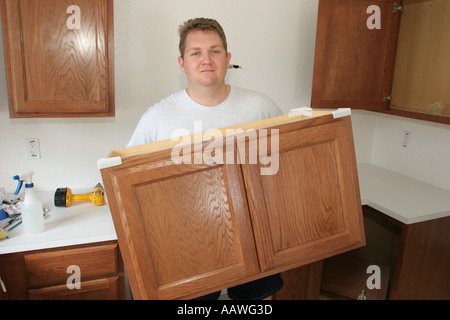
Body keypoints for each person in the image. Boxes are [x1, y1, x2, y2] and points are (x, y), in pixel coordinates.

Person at [127, 17, 284, 300]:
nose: (206, 59)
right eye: (195, 52)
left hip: (254, 233)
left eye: (215, 51)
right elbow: (130, 182)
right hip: (188, 243)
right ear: (182, 63)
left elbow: (283, 168)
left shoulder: (261, 108)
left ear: (227, 58)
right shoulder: (157, 118)